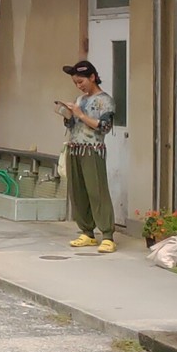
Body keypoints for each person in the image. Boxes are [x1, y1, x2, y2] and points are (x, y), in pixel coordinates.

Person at [58, 59, 118, 253]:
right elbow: (73, 125)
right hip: (75, 147)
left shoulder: (105, 100)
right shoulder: (80, 100)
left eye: (81, 81)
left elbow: (104, 127)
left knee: (97, 190)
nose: (79, 86)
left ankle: (107, 234)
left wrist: (81, 115)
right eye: (76, 83)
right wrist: (68, 115)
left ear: (92, 77)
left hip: (93, 148)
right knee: (78, 191)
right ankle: (87, 232)